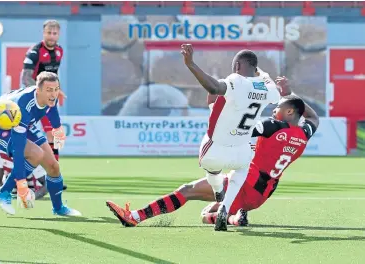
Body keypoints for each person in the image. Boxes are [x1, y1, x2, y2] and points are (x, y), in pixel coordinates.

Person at [106, 77, 319, 230]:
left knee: (187, 191)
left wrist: (217, 109)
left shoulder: (274, 126)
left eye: (278, 107)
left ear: (290, 112)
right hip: (262, 193)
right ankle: (237, 218)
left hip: (246, 185)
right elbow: (313, 117)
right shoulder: (304, 133)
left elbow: (240, 129)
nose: (273, 110)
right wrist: (290, 95)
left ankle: (134, 216)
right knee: (207, 213)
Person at [180, 44, 281, 225]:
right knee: (241, 170)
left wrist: (191, 64)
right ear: (255, 69)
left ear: (236, 67)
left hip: (216, 149)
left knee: (211, 168)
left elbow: (213, 87)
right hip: (241, 150)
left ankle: (218, 189)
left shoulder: (236, 80)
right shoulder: (268, 88)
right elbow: (273, 90)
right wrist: (262, 74)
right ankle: (224, 207)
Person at [0, 20, 67, 197]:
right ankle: (0, 177)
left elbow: (52, 77)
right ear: (43, 33)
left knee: (48, 137)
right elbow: (25, 77)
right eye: (49, 33)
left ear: (58, 35)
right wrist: (41, 93)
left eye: (55, 33)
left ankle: (51, 175)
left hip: (47, 99)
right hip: (31, 100)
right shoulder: (34, 52)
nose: (52, 36)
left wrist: (54, 91)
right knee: (14, 137)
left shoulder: (60, 51)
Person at [0, 71, 81, 216]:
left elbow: (51, 110)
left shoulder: (51, 97)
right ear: (38, 90)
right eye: (49, 90)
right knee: (36, 154)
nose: (54, 94)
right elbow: (19, 151)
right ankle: (4, 192)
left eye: (56, 89)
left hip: (25, 124)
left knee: (53, 166)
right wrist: (21, 183)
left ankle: (58, 208)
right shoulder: (23, 106)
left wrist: (57, 128)